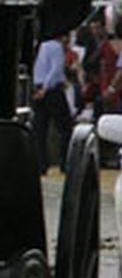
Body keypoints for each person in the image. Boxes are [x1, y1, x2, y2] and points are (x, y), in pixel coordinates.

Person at [30, 30, 73, 175]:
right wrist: (46, 88)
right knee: (65, 128)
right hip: (51, 90)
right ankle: (65, 163)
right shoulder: (55, 46)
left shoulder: (41, 46)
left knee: (40, 129)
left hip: (38, 87)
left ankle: (41, 164)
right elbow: (56, 68)